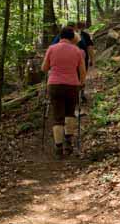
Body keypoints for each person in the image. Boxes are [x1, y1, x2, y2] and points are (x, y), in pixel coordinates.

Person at [42, 26, 86, 158]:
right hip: (72, 85)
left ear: (60, 36)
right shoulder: (77, 51)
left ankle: (58, 148)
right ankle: (68, 141)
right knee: (70, 113)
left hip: (54, 85)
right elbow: (82, 71)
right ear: (72, 37)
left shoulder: (51, 49)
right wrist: (82, 84)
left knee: (57, 117)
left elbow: (44, 68)